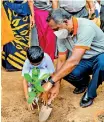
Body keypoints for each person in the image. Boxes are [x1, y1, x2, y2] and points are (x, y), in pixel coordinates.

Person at [42, 8, 104, 108]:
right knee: (64, 71)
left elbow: (74, 61)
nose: (55, 32)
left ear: (66, 22)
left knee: (102, 64)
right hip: (83, 59)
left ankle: (90, 94)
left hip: (99, 55)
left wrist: (50, 82)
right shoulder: (62, 34)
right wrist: (56, 86)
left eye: (56, 29)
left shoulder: (86, 27)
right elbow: (61, 60)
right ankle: (83, 83)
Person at [2, 0, 31, 71]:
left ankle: (9, 64)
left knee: (10, 34)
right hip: (23, 8)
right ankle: (19, 63)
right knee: (21, 36)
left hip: (8, 8)